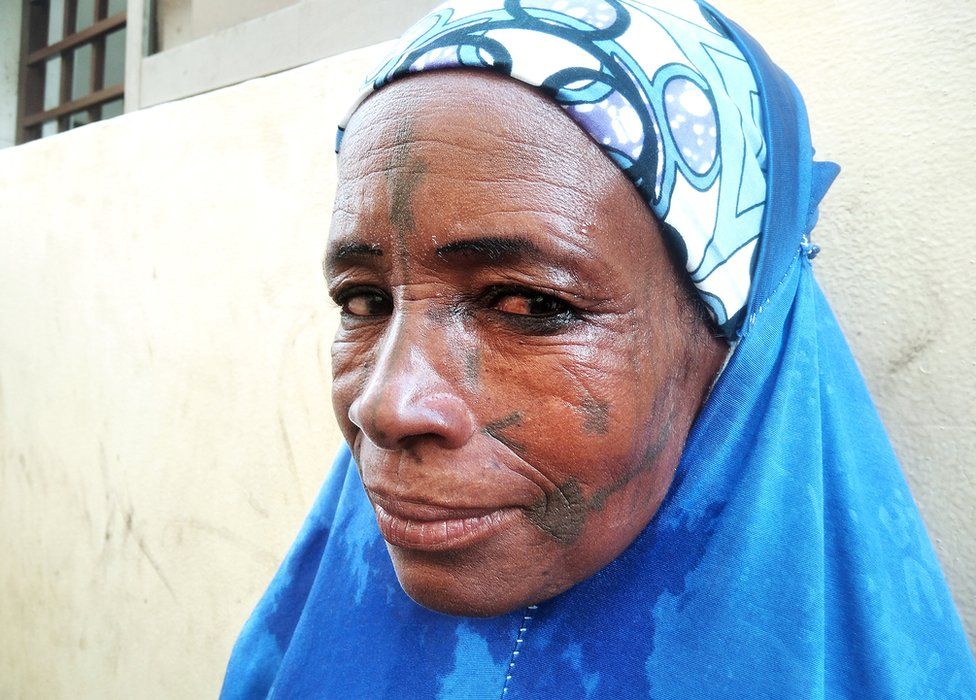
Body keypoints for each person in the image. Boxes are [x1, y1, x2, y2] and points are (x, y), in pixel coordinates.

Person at [221, 1, 976, 697]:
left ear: (731, 337)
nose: (383, 407)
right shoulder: (296, 658)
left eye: (530, 304)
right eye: (364, 300)